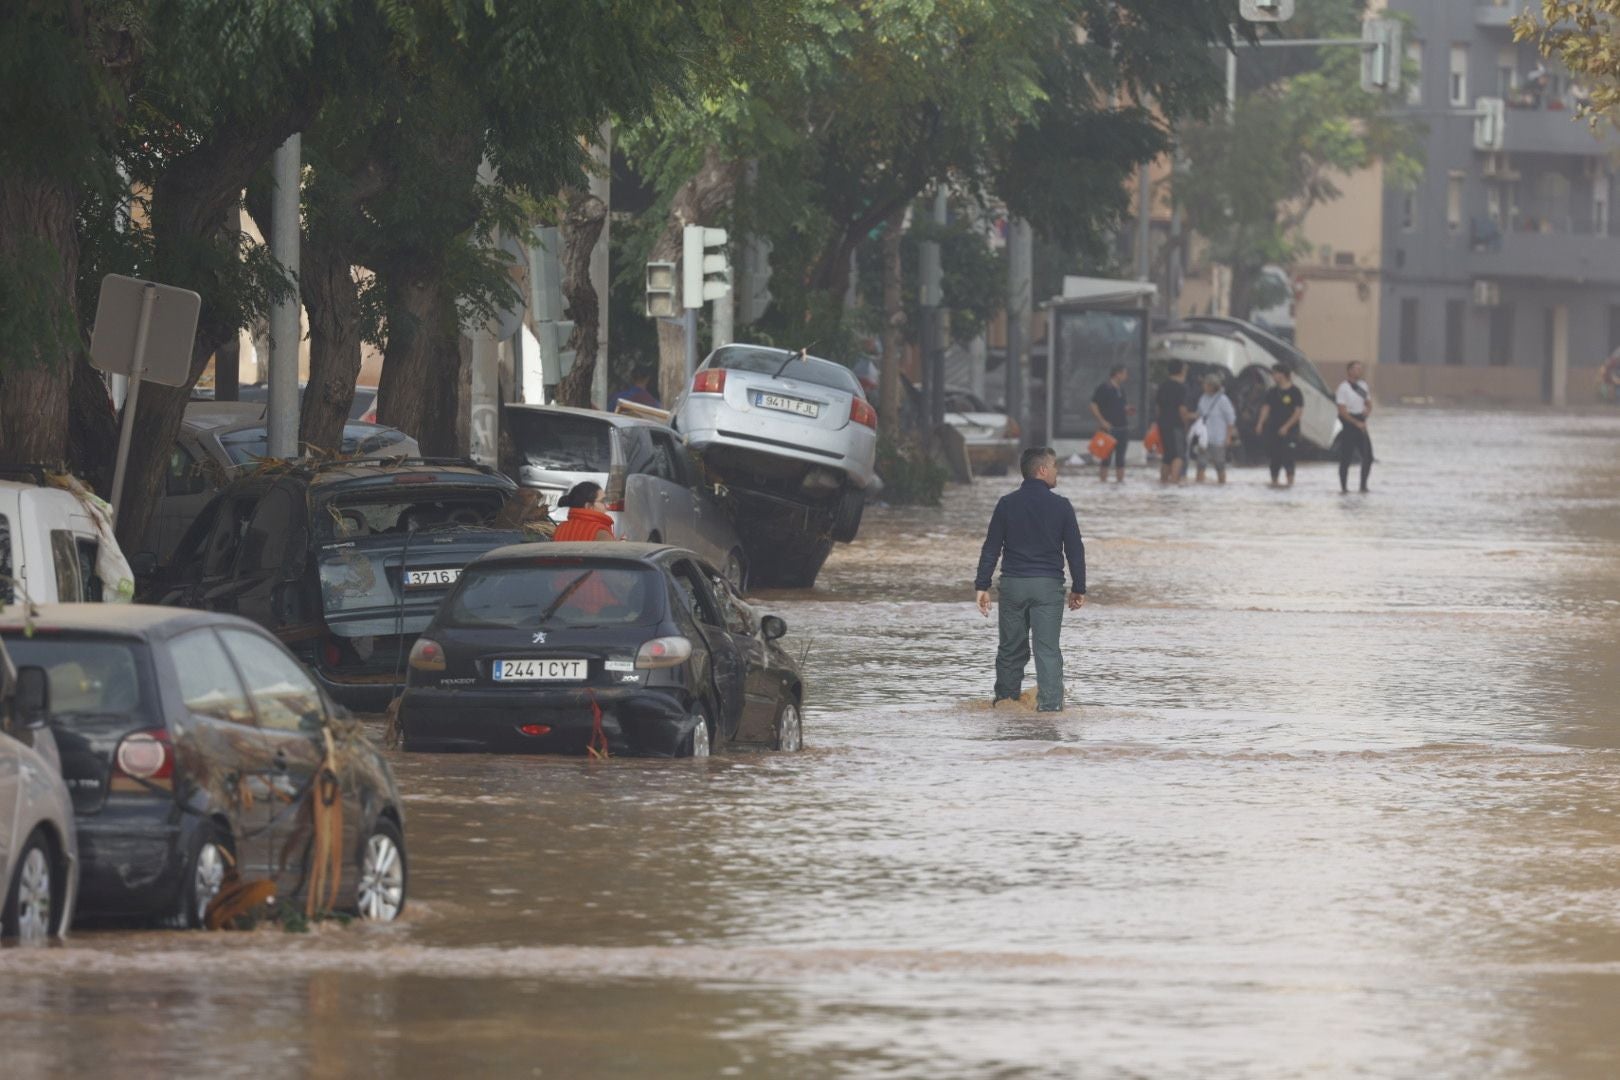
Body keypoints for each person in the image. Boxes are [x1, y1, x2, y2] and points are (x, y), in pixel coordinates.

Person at [973, 446, 1087, 712]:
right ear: (1042, 470)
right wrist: (1079, 587)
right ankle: (1050, 710)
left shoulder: (1006, 504)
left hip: (1013, 586)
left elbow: (991, 547)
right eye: (1055, 466)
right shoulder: (1061, 506)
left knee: (1010, 650)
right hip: (1048, 588)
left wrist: (982, 585)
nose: (1057, 471)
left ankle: (1004, 705)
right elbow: (1074, 550)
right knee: (1047, 651)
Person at [1254, 364, 1304, 488]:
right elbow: (1266, 408)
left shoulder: (1295, 391)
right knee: (1274, 457)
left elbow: (1298, 412)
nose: (1273, 376)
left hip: (1291, 430)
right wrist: (1260, 423)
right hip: (1273, 429)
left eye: (1275, 373)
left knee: (1288, 456)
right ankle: (1274, 482)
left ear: (1282, 374)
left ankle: (1290, 483)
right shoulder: (1272, 391)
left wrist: (1286, 427)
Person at [1335, 361, 1374, 494]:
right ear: (1349, 371)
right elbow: (1342, 410)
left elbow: (1368, 403)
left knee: (1368, 457)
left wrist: (1367, 412)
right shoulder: (1343, 388)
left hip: (1361, 421)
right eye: (1356, 369)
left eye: (1360, 369)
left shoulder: (1362, 386)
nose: (1359, 371)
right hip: (1349, 423)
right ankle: (1344, 488)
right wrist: (1355, 423)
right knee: (1346, 457)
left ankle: (1363, 486)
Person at [1154, 360, 1196, 484]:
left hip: (1163, 424)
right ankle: (1174, 481)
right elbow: (1182, 409)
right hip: (1176, 425)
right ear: (1181, 371)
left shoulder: (1163, 385)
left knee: (1167, 455)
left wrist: (1159, 421)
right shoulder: (1181, 387)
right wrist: (1187, 423)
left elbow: (1158, 408)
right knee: (1179, 455)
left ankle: (1163, 481)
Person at [1088, 364, 1132, 483]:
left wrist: (1127, 409)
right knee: (1105, 458)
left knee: (1121, 459)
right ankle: (1103, 484)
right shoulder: (1104, 388)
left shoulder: (1121, 389)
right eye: (1124, 373)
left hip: (1123, 428)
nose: (1126, 376)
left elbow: (1120, 406)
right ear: (1117, 373)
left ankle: (1120, 485)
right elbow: (1093, 405)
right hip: (1109, 429)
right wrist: (1102, 421)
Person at [1192, 373, 1237, 485]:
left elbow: (1231, 420)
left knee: (1220, 465)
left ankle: (1222, 485)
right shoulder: (1203, 398)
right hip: (1204, 438)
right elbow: (1199, 414)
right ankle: (1199, 486)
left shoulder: (1223, 400)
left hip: (1218, 439)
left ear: (1212, 386)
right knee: (1200, 465)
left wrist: (1228, 437)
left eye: (1205, 384)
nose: (1203, 386)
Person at [552, 482, 616, 541]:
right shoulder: (601, 533)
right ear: (588, 506)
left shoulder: (560, 528)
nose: (607, 506)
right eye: (603, 501)